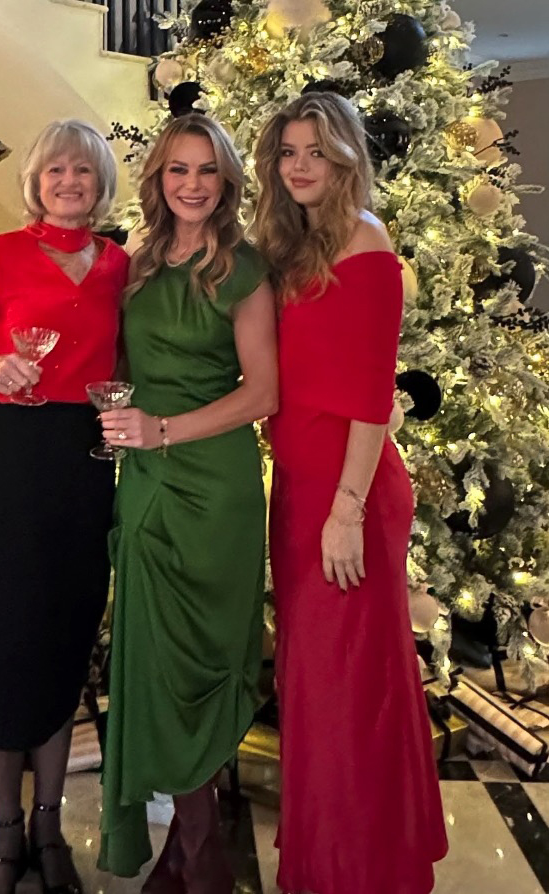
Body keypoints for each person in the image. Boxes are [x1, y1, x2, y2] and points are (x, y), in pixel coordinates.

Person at [254, 92, 448, 894]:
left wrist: (346, 511)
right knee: (320, 682)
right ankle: (332, 859)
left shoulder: (366, 244)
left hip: (349, 493)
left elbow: (372, 393)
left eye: (316, 152)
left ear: (345, 159)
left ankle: (354, 872)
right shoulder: (302, 246)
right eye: (289, 152)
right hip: (302, 486)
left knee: (344, 689)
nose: (300, 166)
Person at [0, 119, 129, 894]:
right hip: (3, 464)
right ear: (37, 183)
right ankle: (4, 838)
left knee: (61, 642)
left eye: (83, 170)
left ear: (101, 181)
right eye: (55, 171)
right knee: (0, 650)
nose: (69, 182)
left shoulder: (121, 266)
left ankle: (51, 828)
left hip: (82, 465)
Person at [96, 113, 277, 893]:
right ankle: (187, 849)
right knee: (151, 660)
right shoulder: (134, 265)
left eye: (207, 170)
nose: (193, 184)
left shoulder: (246, 267)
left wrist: (162, 428)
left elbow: (263, 393)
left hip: (215, 488)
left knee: (202, 658)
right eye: (178, 170)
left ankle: (201, 856)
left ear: (227, 180)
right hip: (145, 485)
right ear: (158, 180)